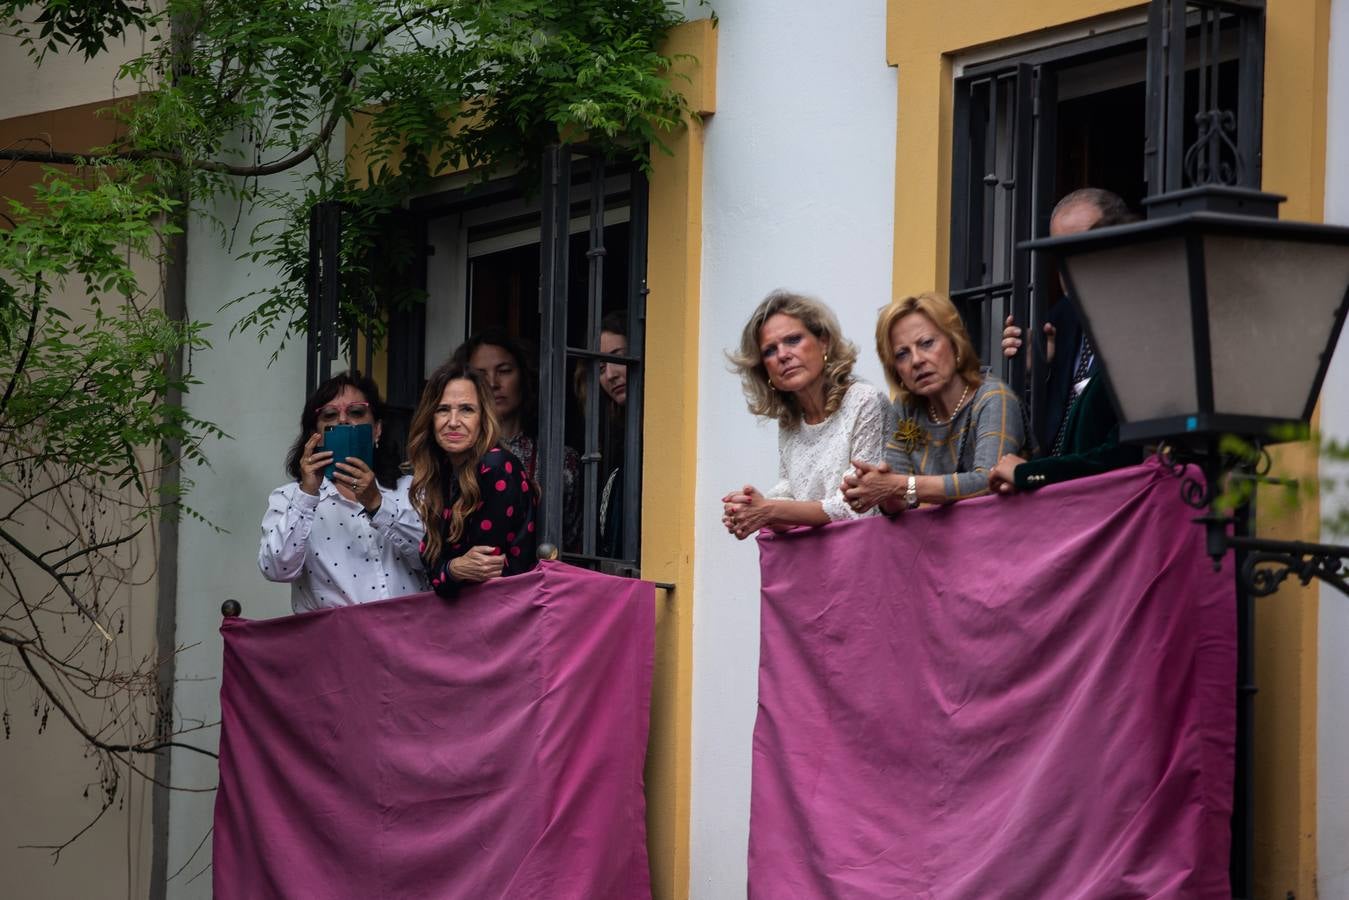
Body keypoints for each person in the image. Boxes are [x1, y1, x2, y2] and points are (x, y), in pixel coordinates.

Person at [989, 188, 1144, 494]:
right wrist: (1036, 373)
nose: (1070, 263)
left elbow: (1127, 452)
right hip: (1055, 507)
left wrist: (1031, 474)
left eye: (1081, 247)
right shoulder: (1061, 318)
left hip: (1112, 505)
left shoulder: (1147, 329)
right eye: (1061, 252)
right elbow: (1051, 434)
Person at [841, 292, 1027, 513]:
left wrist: (898, 485)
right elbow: (899, 501)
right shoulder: (906, 408)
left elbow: (989, 481)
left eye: (927, 343)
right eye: (902, 354)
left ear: (955, 344)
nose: (917, 360)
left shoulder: (993, 397)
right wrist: (874, 490)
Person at [722, 289, 887, 539]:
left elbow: (858, 506)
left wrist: (770, 510)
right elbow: (790, 495)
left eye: (793, 340)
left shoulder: (863, 400)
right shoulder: (790, 423)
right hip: (816, 567)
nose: (783, 355)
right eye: (769, 351)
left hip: (868, 563)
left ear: (824, 341)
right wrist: (748, 508)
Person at [259, 371, 427, 614]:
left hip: (408, 637)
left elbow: (434, 556)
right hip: (338, 645)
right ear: (315, 436)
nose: (343, 421)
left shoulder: (410, 488)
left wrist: (377, 504)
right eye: (329, 415)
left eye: (356, 412)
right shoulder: (288, 498)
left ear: (377, 430)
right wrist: (307, 494)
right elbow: (276, 569)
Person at [407, 362, 538, 597]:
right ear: (430, 417)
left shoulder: (496, 466)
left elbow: (481, 570)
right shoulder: (443, 471)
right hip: (471, 617)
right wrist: (452, 569)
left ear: (483, 418)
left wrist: (448, 570)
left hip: (504, 614)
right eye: (443, 409)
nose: (453, 421)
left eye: (467, 409)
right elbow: (430, 563)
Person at [453, 330, 581, 550]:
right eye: (480, 375)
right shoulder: (452, 454)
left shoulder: (562, 459)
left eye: (504, 371)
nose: (492, 383)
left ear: (524, 376)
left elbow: (574, 546)